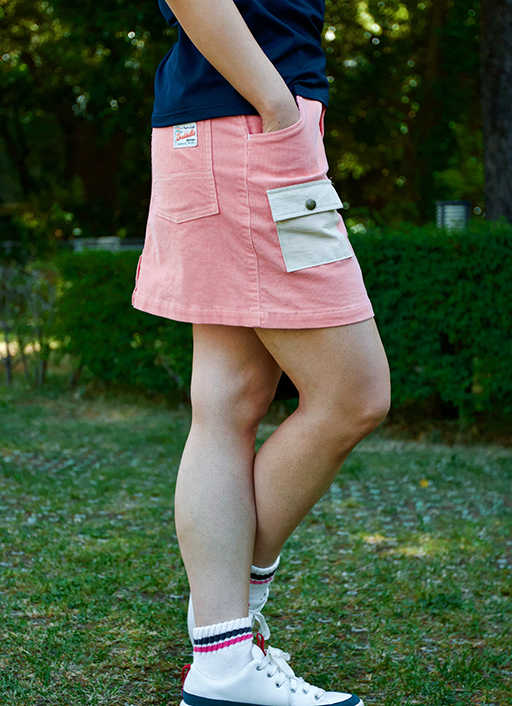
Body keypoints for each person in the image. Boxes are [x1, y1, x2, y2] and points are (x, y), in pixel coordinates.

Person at [132, 1, 391, 704]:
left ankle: (223, 648)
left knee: (230, 401)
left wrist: (282, 117)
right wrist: (278, 110)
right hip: (251, 131)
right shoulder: (266, 109)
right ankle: (224, 643)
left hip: (233, 132)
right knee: (354, 395)